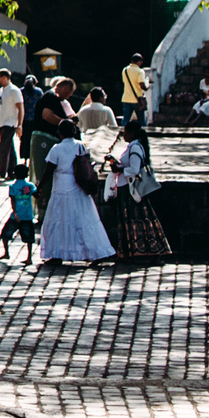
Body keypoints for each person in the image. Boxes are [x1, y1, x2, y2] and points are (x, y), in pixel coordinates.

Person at [39, 122, 117, 267]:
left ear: (60, 133)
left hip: (61, 187)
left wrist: (39, 187)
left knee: (59, 218)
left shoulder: (56, 149)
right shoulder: (81, 146)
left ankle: (58, 253)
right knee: (85, 219)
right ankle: (97, 252)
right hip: (79, 186)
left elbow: (48, 170)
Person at [108, 123, 171, 261]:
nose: (124, 134)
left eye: (125, 132)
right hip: (126, 186)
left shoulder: (135, 147)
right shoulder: (132, 147)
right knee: (131, 219)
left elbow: (135, 169)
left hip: (132, 189)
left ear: (131, 133)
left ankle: (148, 251)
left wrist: (120, 170)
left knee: (138, 219)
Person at [0, 170, 40, 266]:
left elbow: (12, 201)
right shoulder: (30, 186)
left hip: (16, 216)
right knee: (29, 237)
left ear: (14, 175)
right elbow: (36, 195)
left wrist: (15, 213)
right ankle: (29, 257)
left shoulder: (13, 187)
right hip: (27, 216)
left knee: (5, 234)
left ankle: (6, 253)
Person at [0, 69, 25, 179]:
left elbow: (20, 108)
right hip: (3, 122)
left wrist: (19, 125)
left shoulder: (14, 90)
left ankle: (2, 172)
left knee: (3, 148)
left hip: (10, 122)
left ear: (5, 77)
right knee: (9, 148)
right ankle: (12, 172)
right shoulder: (1, 91)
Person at [120, 52, 149, 125]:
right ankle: (144, 135)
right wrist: (147, 86)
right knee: (141, 120)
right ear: (139, 61)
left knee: (125, 119)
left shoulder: (125, 70)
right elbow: (142, 85)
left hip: (126, 98)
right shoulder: (140, 71)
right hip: (137, 100)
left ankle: (123, 134)